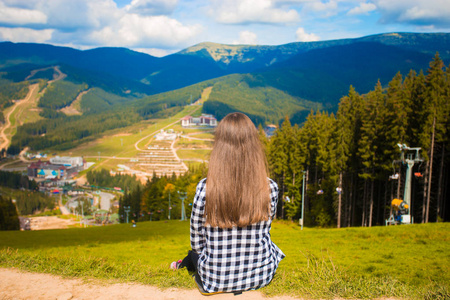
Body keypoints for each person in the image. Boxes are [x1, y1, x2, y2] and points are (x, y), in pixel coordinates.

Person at [170, 112, 285, 294]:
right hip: (262, 275)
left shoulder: (205, 189)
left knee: (192, 255)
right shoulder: (270, 187)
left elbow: (197, 242)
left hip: (215, 279)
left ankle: (181, 264)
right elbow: (266, 231)